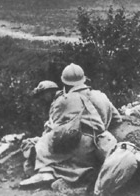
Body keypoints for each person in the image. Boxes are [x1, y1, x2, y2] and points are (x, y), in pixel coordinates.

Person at [20, 63, 120, 191]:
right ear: (84, 79)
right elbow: (117, 120)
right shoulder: (102, 95)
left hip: (80, 148)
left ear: (65, 83)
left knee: (45, 139)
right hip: (101, 146)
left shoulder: (64, 100)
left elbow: (54, 129)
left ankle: (45, 172)